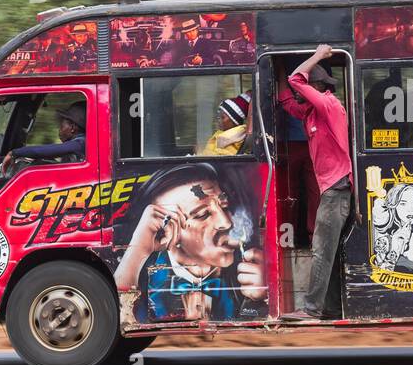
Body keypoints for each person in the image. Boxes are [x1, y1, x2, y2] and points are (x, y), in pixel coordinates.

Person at [113, 163, 266, 321]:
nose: (226, 222)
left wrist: (261, 298)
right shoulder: (141, 272)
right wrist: (137, 250)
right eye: (202, 214)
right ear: (166, 228)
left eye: (224, 205)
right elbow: (120, 318)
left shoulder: (250, 264)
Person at [279, 45, 352, 320]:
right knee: (328, 252)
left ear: (316, 87)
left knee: (321, 251)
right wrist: (278, 71)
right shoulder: (311, 112)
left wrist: (319, 55)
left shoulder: (329, 105)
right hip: (331, 190)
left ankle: (311, 309)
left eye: (304, 90)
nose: (299, 94)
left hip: (336, 189)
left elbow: (296, 80)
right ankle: (331, 308)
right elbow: (288, 99)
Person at [2, 100, 86, 171]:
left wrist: (14, 153)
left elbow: (46, 150)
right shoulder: (81, 142)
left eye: (61, 125)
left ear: (72, 128)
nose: (59, 129)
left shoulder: (80, 143)